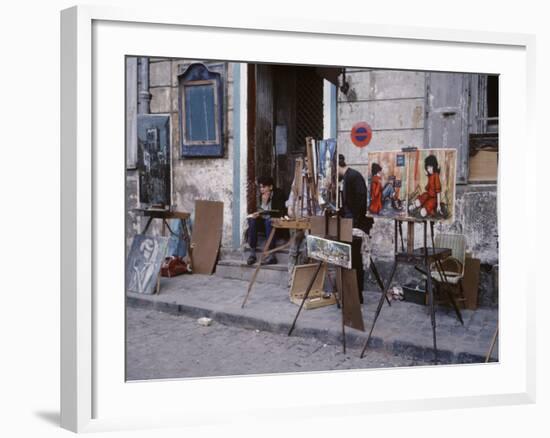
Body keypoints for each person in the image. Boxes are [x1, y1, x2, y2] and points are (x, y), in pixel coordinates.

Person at [338, 154, 373, 303]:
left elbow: (361, 201)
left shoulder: (354, 176)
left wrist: (355, 223)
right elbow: (346, 204)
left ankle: (357, 296)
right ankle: (351, 294)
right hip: (349, 224)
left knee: (355, 261)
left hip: (356, 226)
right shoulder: (346, 178)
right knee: (349, 260)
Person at [246, 176, 286, 265]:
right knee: (252, 221)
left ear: (271, 187)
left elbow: (280, 212)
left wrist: (265, 211)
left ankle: (272, 255)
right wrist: (260, 211)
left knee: (269, 221)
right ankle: (252, 253)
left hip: (277, 223)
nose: (261, 189)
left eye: (264, 187)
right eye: (260, 187)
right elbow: (262, 212)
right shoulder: (262, 196)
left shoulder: (279, 194)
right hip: (265, 222)